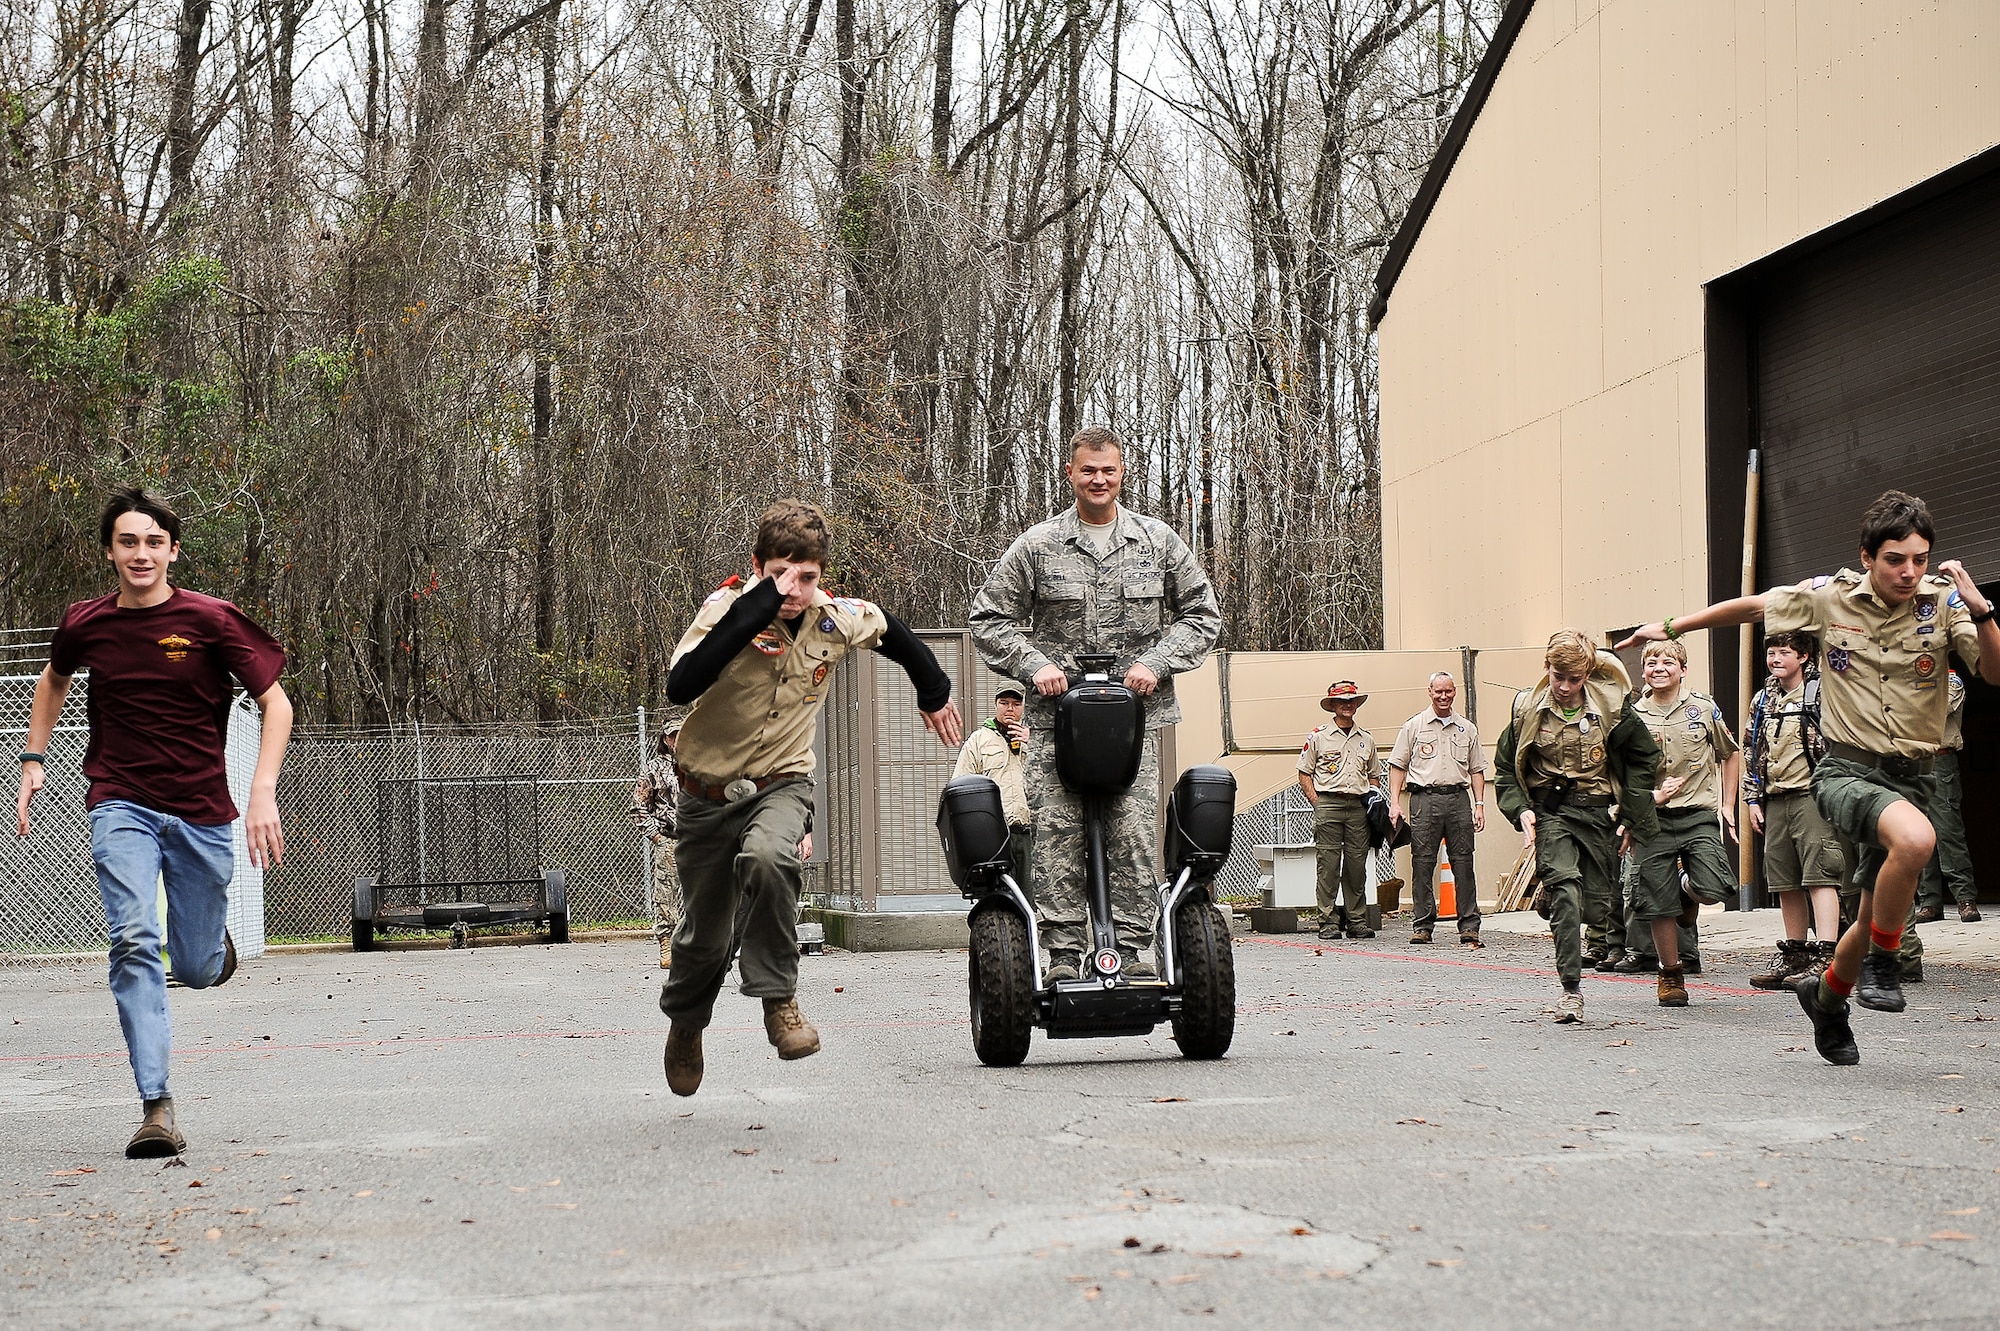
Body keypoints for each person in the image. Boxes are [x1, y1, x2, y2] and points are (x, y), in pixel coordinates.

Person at [1619, 489, 1999, 1066]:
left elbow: (1994, 670)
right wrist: (1669, 625)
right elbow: (1750, 607)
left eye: (1920, 559)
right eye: (1896, 558)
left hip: (1915, 775)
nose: (1909, 571)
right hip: (1848, 770)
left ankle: (1826, 996)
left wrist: (1981, 610)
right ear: (1868, 556)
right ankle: (1883, 963)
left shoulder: (1942, 604)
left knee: (1872, 915)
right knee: (1917, 841)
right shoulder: (1830, 598)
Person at [14, 488, 293, 1158]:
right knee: (134, 939)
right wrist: (33, 756)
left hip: (200, 811)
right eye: (127, 541)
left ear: (172, 548)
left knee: (193, 968)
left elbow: (275, 703)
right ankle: (156, 1104)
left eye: (153, 541)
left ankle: (208, 949)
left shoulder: (212, 620)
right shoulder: (86, 623)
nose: (140, 553)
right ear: (110, 550)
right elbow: (53, 679)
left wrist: (262, 789)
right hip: (121, 801)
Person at [658, 500, 963, 1096]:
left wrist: (933, 691)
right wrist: (754, 610)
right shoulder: (727, 609)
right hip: (705, 792)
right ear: (757, 565)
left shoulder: (834, 619)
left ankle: (779, 1000)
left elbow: (893, 633)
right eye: (781, 574)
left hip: (782, 781)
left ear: (822, 574)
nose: (794, 589)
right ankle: (687, 1025)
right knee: (705, 937)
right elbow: (681, 684)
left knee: (773, 857)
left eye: (808, 577)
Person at [970, 426, 1222, 981]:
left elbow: (1203, 616)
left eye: (1108, 470)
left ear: (1123, 473)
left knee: (1131, 836)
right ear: (1070, 474)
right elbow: (988, 619)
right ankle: (1061, 954)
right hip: (1057, 725)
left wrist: (1154, 664)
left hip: (1134, 726)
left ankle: (1129, 954)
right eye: (1088, 470)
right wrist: (1035, 665)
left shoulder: (1158, 543)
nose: (1099, 480)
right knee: (1056, 838)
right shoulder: (1038, 545)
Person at [1492, 630, 1660, 1024]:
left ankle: (1555, 900)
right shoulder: (1527, 710)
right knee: (1567, 891)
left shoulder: (1613, 707)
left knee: (1599, 907)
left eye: (1574, 679)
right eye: (1557, 677)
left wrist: (1633, 817)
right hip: (1553, 813)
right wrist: (1521, 810)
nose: (1565, 688)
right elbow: (1505, 768)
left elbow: (1642, 761)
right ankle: (1571, 990)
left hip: (1599, 814)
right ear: (1546, 669)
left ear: (1586, 675)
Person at [1621, 641, 1740, 1007]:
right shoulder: (1632, 716)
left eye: (1668, 661)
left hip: (1697, 814)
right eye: (1652, 662)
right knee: (1657, 902)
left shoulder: (1702, 709)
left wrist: (1727, 804)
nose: (1659, 666)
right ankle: (1670, 973)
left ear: (1683, 669)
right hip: (1653, 819)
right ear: (1643, 672)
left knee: (1715, 887)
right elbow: (1622, 773)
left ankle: (1688, 889)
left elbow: (1730, 753)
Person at [1742, 631, 1848, 989]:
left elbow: (1841, 743)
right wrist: (1753, 799)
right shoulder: (1763, 698)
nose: (1775, 659)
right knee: (1783, 879)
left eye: (1784, 653)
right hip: (1775, 798)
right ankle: (1795, 955)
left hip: (1811, 796)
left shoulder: (1821, 692)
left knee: (1820, 874)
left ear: (1803, 657)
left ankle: (1827, 954)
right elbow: (1750, 749)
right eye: (1771, 652)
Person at [1386, 672, 1486, 948]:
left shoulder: (1467, 728)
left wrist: (1479, 805)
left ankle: (1469, 926)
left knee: (1463, 863)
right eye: (1438, 691)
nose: (1443, 696)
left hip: (1458, 799)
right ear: (1429, 692)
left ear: (1455, 692)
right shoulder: (1414, 726)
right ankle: (1422, 925)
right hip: (1424, 800)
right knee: (1422, 862)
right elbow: (1397, 765)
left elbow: (1477, 769)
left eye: (1448, 691)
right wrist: (1395, 803)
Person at [1300, 682, 1380, 941]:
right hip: (1328, 804)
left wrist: (1371, 800)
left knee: (1357, 866)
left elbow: (1374, 776)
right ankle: (1328, 921)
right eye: (1342, 701)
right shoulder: (1318, 737)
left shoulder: (1366, 739)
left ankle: (1356, 920)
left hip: (1357, 807)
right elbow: (1304, 772)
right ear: (1332, 706)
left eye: (1352, 700)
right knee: (1328, 866)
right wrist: (1317, 802)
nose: (1348, 704)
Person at [953, 686, 1034, 895]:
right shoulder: (978, 740)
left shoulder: (1036, 738)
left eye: (1016, 704)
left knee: (1033, 899)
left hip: (1031, 833)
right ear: (995, 705)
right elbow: (962, 785)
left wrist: (1032, 743)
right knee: (997, 897)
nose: (1010, 709)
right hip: (995, 835)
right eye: (1004, 703)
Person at [1916, 670, 1979, 923]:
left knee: (1948, 831)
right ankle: (1929, 901)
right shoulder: (1904, 677)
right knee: (1917, 834)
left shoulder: (1951, 679)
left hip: (1940, 760)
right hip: (1912, 762)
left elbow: (1935, 710)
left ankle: (1965, 897)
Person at [630, 716, 684, 969]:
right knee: (665, 896)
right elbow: (639, 807)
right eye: (673, 736)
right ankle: (666, 944)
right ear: (665, 739)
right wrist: (657, 837)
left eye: (681, 735)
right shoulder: (653, 769)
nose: (677, 740)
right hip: (669, 840)